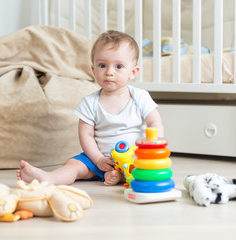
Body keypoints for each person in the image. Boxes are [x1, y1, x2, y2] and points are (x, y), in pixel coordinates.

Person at [16, 30, 164, 186]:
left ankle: (120, 175)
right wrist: (99, 159)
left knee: (142, 169)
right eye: (102, 65)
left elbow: (155, 122)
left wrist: (153, 146)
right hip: (97, 159)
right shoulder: (89, 102)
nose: (109, 72)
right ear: (94, 70)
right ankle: (49, 178)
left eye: (118, 66)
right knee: (73, 165)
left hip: (133, 158)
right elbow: (86, 135)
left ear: (133, 72)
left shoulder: (140, 97)